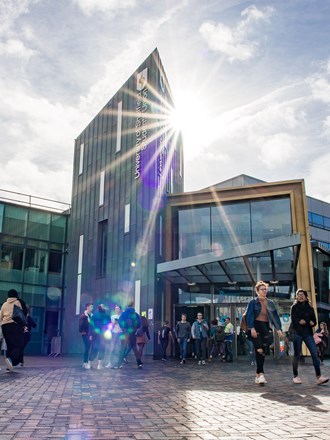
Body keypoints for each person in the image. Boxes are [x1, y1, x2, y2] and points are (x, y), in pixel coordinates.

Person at [246, 281, 283, 384]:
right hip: (256, 326)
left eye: (265, 289)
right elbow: (250, 315)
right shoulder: (253, 302)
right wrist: (251, 328)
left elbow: (274, 316)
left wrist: (279, 329)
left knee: (262, 351)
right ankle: (261, 374)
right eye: (262, 289)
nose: (264, 291)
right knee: (259, 349)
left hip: (265, 327)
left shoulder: (270, 302)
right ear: (257, 291)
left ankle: (258, 374)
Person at [290, 289, 329, 385]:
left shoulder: (310, 308)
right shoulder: (294, 307)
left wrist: (311, 323)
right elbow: (294, 321)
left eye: (302, 294)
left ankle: (319, 377)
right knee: (297, 355)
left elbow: (314, 321)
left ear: (306, 296)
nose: (300, 296)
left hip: (307, 333)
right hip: (297, 333)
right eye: (298, 295)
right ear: (296, 297)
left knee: (315, 353)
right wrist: (302, 322)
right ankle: (295, 376)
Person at [0, 289, 25, 371]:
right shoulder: (17, 302)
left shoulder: (4, 304)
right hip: (14, 326)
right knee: (19, 344)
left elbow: (0, 317)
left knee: (9, 345)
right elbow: (20, 314)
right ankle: (10, 359)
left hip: (4, 326)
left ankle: (9, 365)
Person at [118, 301, 142, 368]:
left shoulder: (123, 314)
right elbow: (139, 323)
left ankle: (119, 364)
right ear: (132, 306)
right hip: (132, 333)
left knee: (122, 348)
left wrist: (124, 329)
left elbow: (120, 322)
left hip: (125, 333)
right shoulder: (135, 314)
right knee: (134, 348)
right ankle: (139, 363)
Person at [89, 304, 111, 370]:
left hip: (95, 334)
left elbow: (91, 325)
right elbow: (109, 326)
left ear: (98, 309)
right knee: (102, 349)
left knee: (93, 348)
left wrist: (90, 334)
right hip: (103, 335)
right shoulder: (107, 316)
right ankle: (99, 365)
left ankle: (89, 363)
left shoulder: (94, 316)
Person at [79, 302, 93, 369]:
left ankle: (88, 362)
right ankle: (85, 362)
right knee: (87, 347)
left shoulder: (92, 315)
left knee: (89, 347)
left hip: (91, 334)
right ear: (87, 307)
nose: (92, 308)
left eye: (92, 307)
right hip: (85, 333)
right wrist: (82, 331)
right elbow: (81, 325)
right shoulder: (83, 316)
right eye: (91, 307)